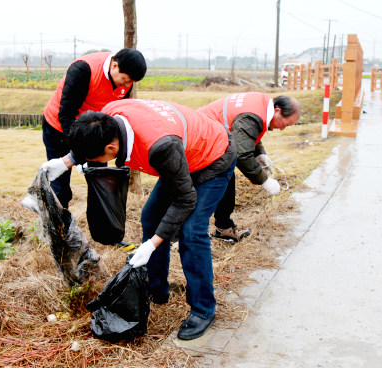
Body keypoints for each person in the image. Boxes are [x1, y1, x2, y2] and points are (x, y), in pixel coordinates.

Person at [42, 99, 237, 340]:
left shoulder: (160, 148)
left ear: (112, 149)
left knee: (192, 230)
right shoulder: (108, 115)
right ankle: (156, 289)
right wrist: (65, 162)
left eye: (93, 158)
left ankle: (203, 309)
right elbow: (91, 140)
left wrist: (152, 244)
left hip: (213, 157)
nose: (91, 163)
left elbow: (185, 199)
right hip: (182, 154)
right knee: (151, 217)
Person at [41, 49, 147, 208]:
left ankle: (99, 228)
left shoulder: (126, 82)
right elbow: (66, 113)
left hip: (96, 133)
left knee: (101, 183)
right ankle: (58, 228)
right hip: (60, 128)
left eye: (131, 82)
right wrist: (78, 152)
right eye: (125, 79)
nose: (126, 85)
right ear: (115, 65)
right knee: (60, 188)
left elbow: (115, 113)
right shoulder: (84, 69)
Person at [198, 93, 301, 242]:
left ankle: (223, 227)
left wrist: (259, 153)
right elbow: (241, 153)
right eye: (285, 124)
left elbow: (246, 133)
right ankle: (186, 231)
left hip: (209, 135)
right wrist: (264, 180)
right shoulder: (252, 115)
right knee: (218, 177)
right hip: (201, 138)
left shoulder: (262, 104)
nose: (283, 129)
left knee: (226, 174)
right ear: (278, 111)